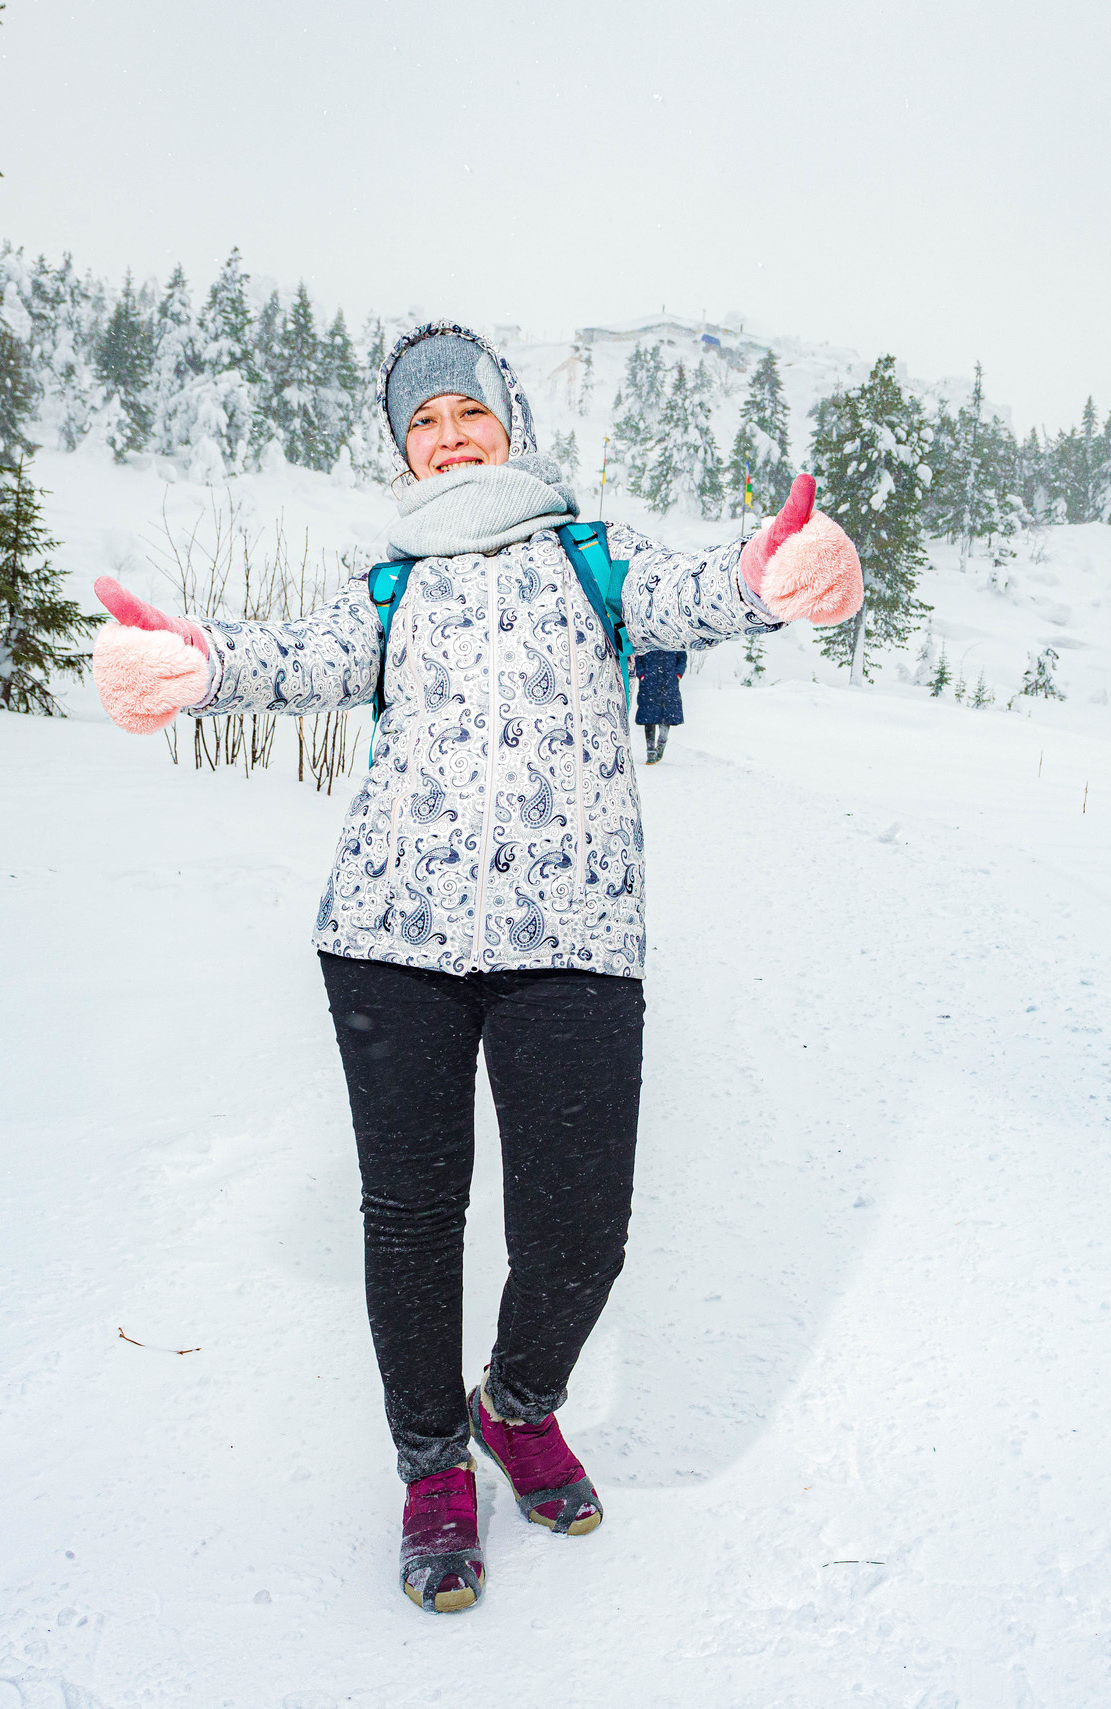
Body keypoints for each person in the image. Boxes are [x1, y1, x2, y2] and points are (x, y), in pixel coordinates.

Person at [83, 323, 863, 1615]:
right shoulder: (389, 583)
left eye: (466, 413)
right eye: (421, 424)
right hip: (391, 940)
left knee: (581, 1228)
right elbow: (297, 660)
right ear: (403, 450)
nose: (446, 436)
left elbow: (706, 587)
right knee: (412, 1221)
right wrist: (195, 666)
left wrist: (782, 568)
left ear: (508, 424)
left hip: (573, 941)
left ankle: (516, 1401)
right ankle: (432, 1462)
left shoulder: (587, 559)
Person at [632, 648, 687, 763]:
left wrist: (677, 675)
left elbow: (682, 658)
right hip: (649, 684)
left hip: (669, 684)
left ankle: (661, 746)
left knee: (666, 717)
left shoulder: (672, 638)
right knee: (649, 719)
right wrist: (642, 675)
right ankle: (650, 751)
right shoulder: (647, 636)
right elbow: (637, 657)